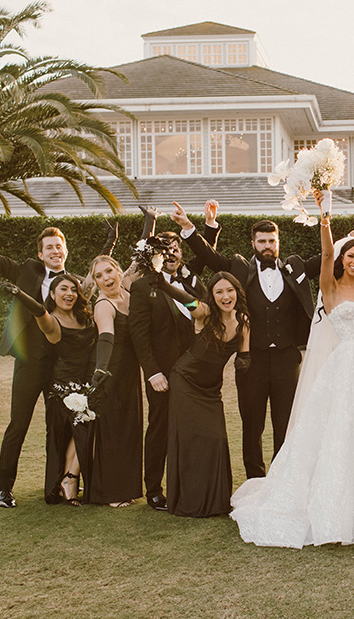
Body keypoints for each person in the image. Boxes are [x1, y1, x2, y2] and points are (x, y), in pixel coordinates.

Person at [231, 192, 354, 548]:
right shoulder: (330, 287)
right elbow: (327, 254)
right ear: (343, 259)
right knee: (338, 430)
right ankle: (334, 502)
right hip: (344, 366)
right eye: (351, 255)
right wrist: (325, 217)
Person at [0, 193, 113, 508]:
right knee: (18, 424)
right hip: (30, 364)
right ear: (40, 254)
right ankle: (4, 489)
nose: (56, 251)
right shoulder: (26, 271)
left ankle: (57, 486)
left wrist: (111, 242)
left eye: (60, 246)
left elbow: (101, 271)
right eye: (50, 247)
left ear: (65, 251)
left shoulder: (75, 284)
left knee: (58, 427)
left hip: (63, 368)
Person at [183, 203, 319, 479]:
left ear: (278, 242)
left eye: (272, 241)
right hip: (251, 359)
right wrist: (189, 228)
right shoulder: (238, 267)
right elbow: (209, 257)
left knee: (285, 424)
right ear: (253, 243)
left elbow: (328, 257)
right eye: (262, 241)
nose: (267, 246)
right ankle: (255, 479)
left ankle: (283, 479)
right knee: (252, 424)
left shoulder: (295, 267)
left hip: (287, 358)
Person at [128, 202, 219, 511]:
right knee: (160, 427)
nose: (171, 253)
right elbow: (139, 335)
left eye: (176, 248)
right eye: (164, 249)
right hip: (163, 374)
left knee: (191, 428)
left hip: (194, 371)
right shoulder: (142, 288)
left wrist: (208, 225)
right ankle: (153, 488)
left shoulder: (194, 279)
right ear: (155, 255)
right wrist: (152, 372)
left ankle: (189, 485)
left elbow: (207, 252)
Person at [150, 271, 251, 518]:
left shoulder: (243, 320)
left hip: (211, 389)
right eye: (219, 292)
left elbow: (244, 356)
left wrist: (245, 365)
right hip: (185, 381)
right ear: (212, 295)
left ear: (237, 291)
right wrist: (164, 284)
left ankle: (215, 501)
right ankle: (190, 501)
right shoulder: (205, 313)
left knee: (215, 439)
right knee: (190, 439)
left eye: (230, 290)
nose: (226, 296)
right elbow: (189, 301)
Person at [4, 274, 95, 506]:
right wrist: (19, 293)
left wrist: (113, 239)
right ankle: (63, 482)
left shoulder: (84, 314)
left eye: (73, 289)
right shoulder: (51, 321)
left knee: (85, 431)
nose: (69, 294)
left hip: (87, 382)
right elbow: (38, 312)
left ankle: (71, 477)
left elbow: (98, 275)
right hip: (64, 387)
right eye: (62, 289)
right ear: (52, 295)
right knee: (64, 435)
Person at [86, 256, 144, 506]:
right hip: (111, 374)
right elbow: (106, 337)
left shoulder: (129, 293)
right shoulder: (103, 305)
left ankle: (127, 488)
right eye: (99, 275)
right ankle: (110, 492)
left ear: (119, 272)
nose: (106, 278)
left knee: (130, 429)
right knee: (113, 432)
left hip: (130, 373)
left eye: (109, 271)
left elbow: (142, 255)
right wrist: (100, 370)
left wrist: (149, 221)